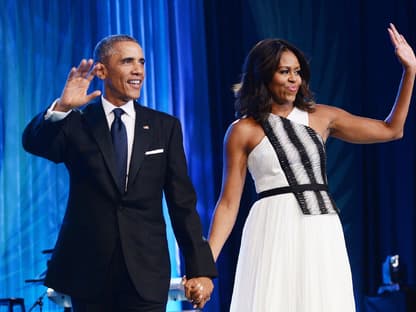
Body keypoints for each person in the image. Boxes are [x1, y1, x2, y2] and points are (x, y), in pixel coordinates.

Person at [205, 23, 415, 311]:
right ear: (264, 75)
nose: (294, 79)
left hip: (320, 226)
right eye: (284, 71)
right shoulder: (243, 130)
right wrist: (205, 263)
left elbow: (392, 129)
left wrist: (409, 71)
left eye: (297, 71)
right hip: (272, 226)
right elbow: (228, 204)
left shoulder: (321, 117)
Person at [22, 34, 216, 311]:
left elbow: (182, 203)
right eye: (127, 62)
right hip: (89, 273)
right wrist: (62, 108)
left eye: (141, 62)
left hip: (146, 273)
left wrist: (200, 268)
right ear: (101, 70)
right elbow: (35, 143)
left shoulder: (164, 126)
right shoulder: (77, 122)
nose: (138, 70)